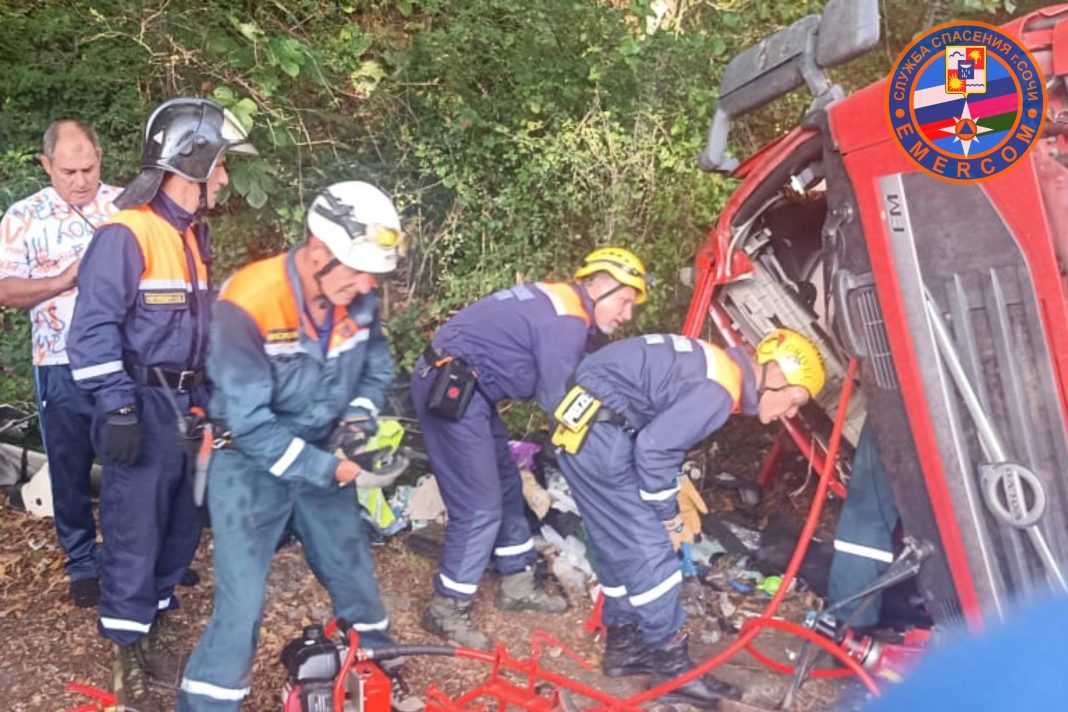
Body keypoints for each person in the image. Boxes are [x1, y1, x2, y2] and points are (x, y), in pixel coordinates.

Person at [177, 181, 419, 711]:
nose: (364, 285)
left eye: (372, 274)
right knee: (241, 604)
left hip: (323, 451)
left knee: (352, 570)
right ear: (316, 251)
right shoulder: (249, 301)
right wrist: (332, 471)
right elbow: (251, 422)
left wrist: (357, 421)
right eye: (356, 271)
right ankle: (208, 703)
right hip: (245, 462)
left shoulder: (357, 293)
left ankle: (376, 669)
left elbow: (376, 366)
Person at [67, 97, 257, 703]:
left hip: (184, 403)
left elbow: (196, 331)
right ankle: (128, 649)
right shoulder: (127, 233)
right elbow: (92, 330)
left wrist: (211, 399)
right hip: (141, 405)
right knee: (134, 529)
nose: (224, 177)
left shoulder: (191, 234)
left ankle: (158, 613)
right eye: (220, 165)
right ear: (191, 162)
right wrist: (117, 406)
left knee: (180, 522)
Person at [553, 328, 826, 708]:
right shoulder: (719, 390)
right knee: (655, 558)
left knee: (617, 547)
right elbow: (653, 450)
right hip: (603, 439)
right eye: (794, 400)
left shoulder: (714, 364)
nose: (791, 413)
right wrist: (667, 515)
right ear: (777, 375)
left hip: (581, 431)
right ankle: (671, 668)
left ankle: (624, 647)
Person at [412, 247, 649, 649]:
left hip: (471, 390)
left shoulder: (563, 302)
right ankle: (446, 608)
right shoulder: (567, 320)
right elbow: (561, 404)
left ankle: (517, 581)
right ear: (600, 285)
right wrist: (603, 456)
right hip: (450, 387)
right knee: (480, 503)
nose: (627, 315)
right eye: (625, 301)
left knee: (505, 481)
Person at [0, 120, 119, 607]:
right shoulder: (23, 216)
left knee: (128, 463)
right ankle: (81, 559)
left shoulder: (125, 206)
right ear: (47, 165)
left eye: (88, 168)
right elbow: (6, 290)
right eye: (67, 170)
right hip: (58, 363)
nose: (80, 180)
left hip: (121, 363)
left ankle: (130, 554)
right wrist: (64, 279)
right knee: (69, 466)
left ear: (100, 160)